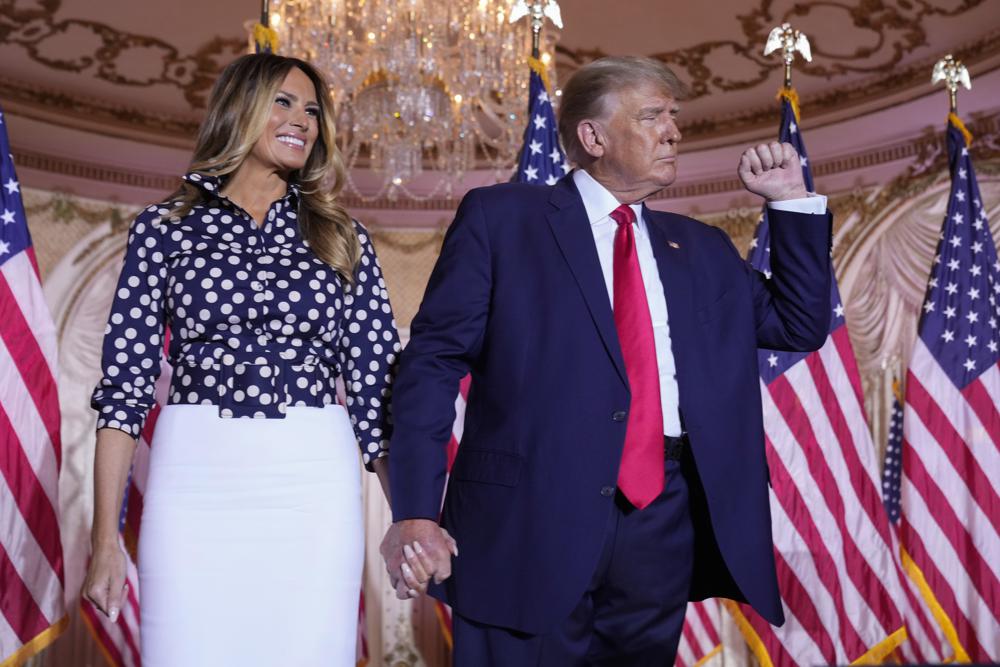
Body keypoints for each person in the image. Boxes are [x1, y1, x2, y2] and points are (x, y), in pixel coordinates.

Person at [382, 56, 832, 665]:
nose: (673, 131)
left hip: (662, 517)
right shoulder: (503, 219)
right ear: (593, 137)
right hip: (527, 518)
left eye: (674, 117)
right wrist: (413, 510)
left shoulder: (701, 248)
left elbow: (800, 326)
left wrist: (791, 201)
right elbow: (431, 365)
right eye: (652, 116)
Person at [82, 53, 400, 666]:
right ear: (238, 109)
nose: (302, 120)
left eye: (312, 110)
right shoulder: (163, 229)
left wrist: (408, 517)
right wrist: (104, 542)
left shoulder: (342, 236)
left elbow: (375, 394)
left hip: (313, 479)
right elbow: (123, 390)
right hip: (193, 475)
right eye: (283, 102)